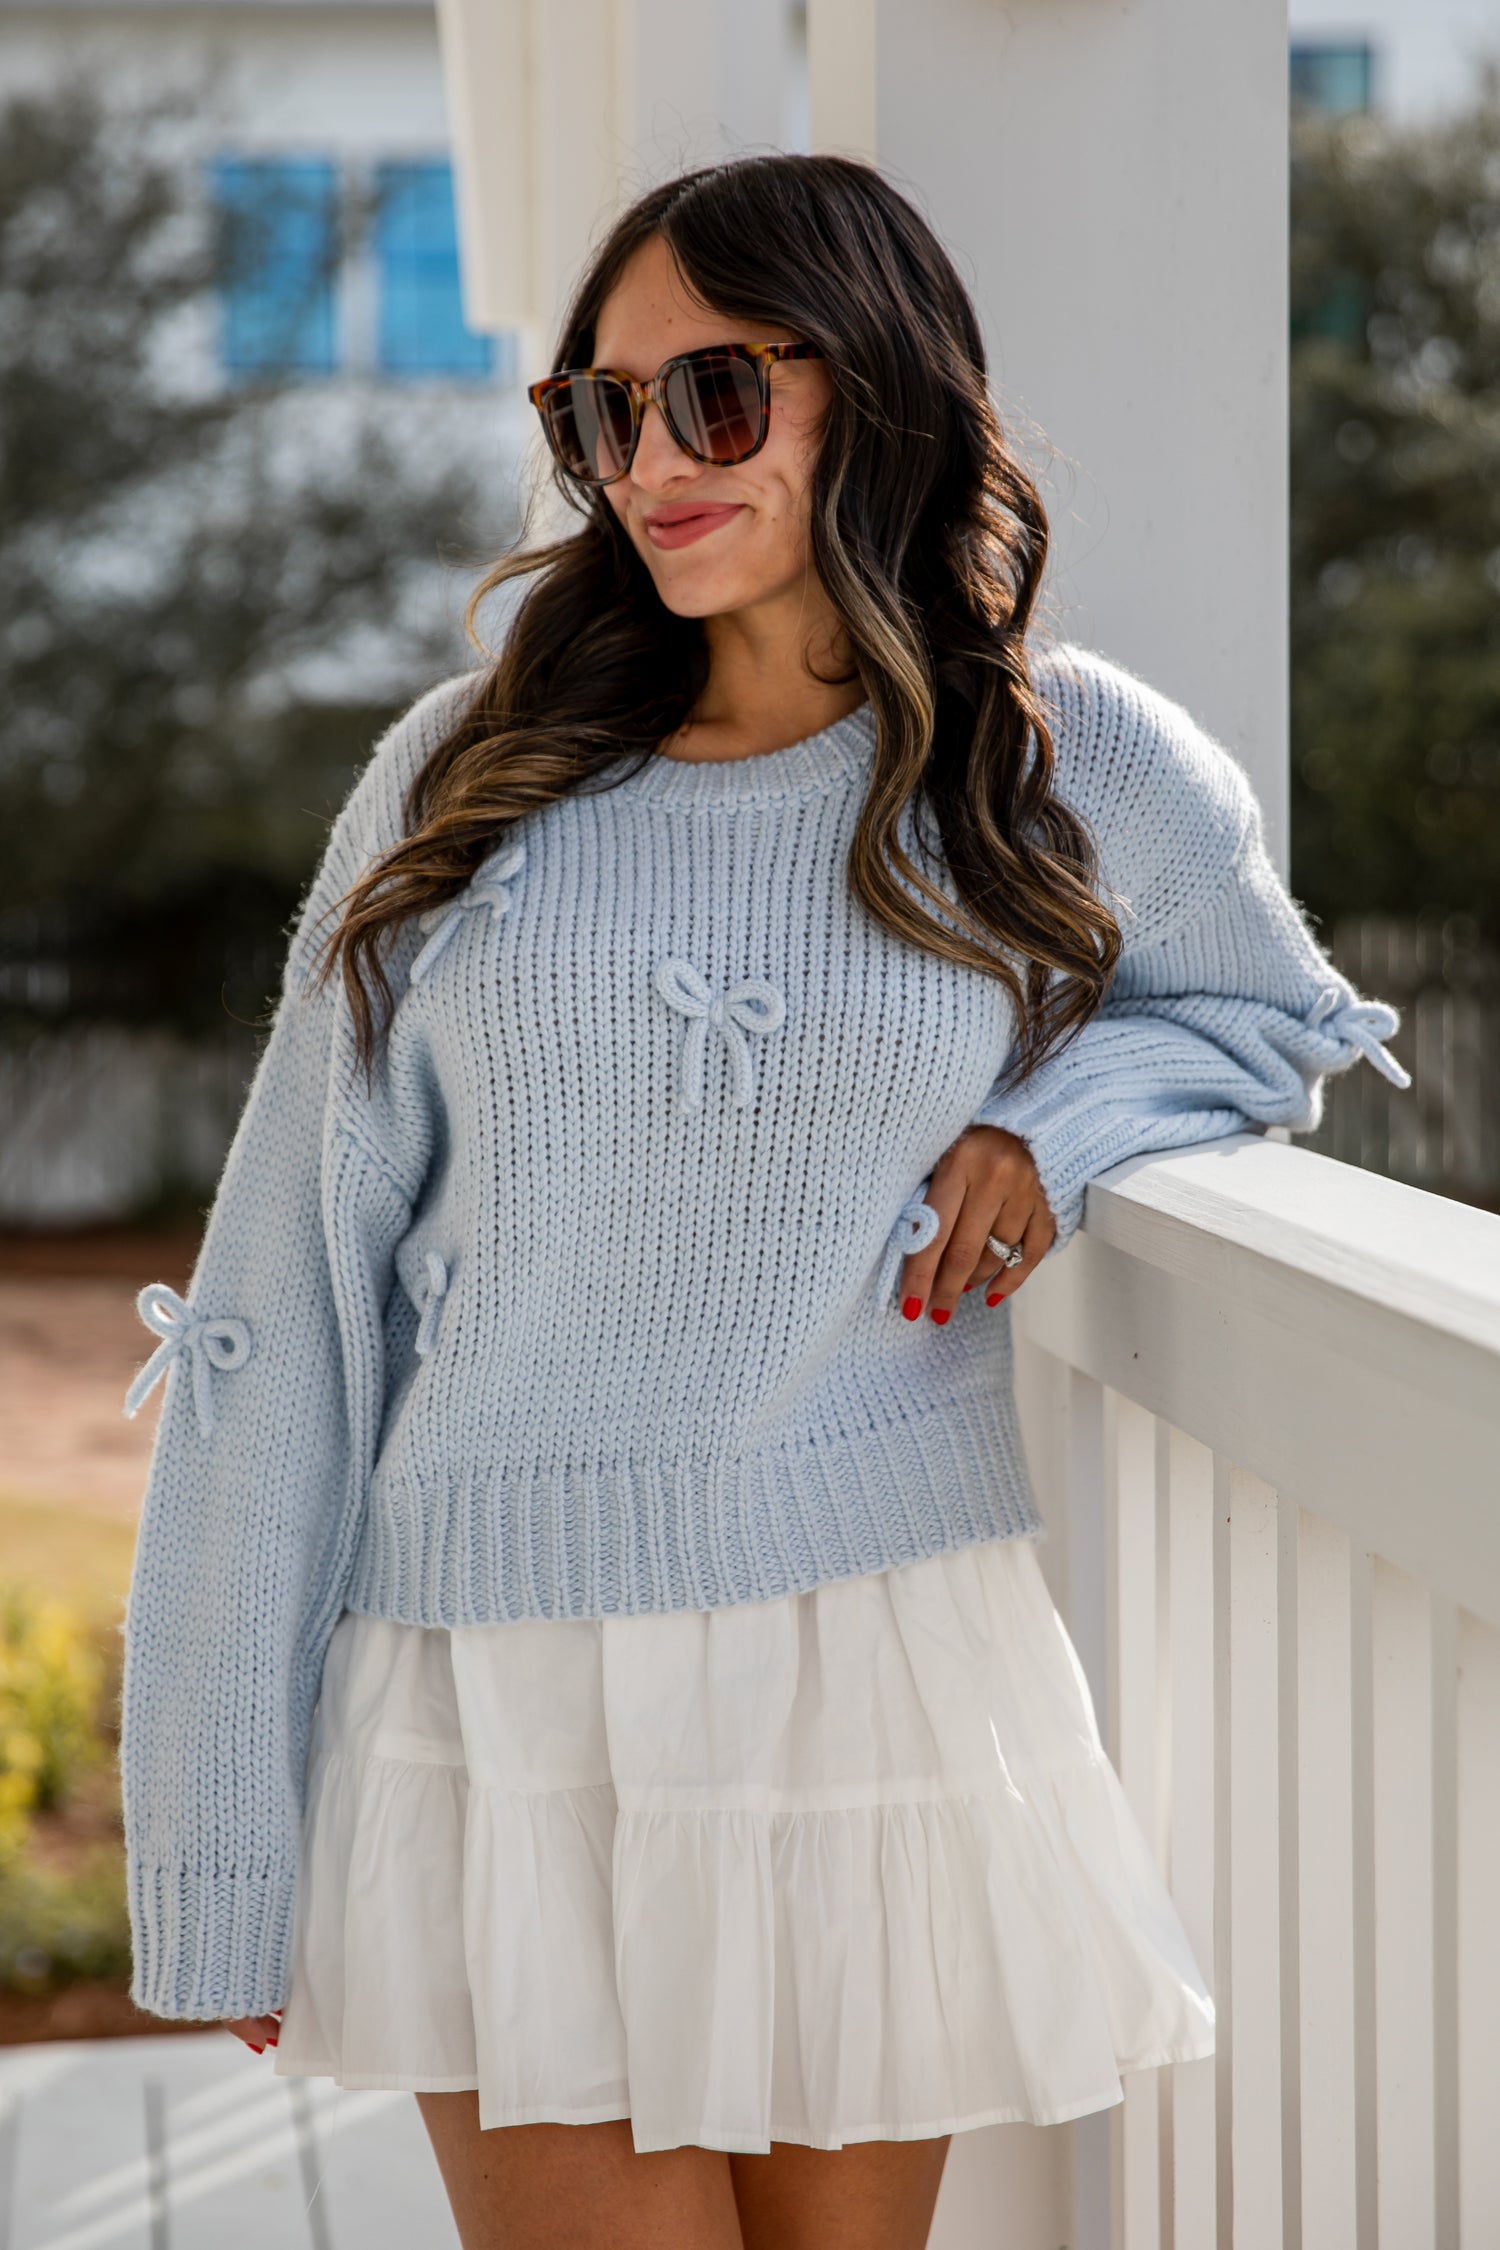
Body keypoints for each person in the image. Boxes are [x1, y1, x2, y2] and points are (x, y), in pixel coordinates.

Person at [118, 154, 1407, 2250]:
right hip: (492, 1691)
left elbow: (1265, 1018)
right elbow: (285, 1295)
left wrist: (1053, 1132)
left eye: (711, 394)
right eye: (596, 412)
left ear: (874, 386)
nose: (643, 460)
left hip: (867, 1666)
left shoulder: (1053, 761)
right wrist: (215, 1834)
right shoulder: (474, 775)